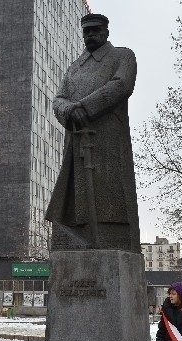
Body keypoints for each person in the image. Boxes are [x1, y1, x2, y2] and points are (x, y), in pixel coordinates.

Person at [45, 13, 140, 253]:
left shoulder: (123, 55)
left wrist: (85, 108)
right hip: (77, 140)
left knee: (110, 194)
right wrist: (69, 111)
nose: (90, 35)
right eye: (86, 31)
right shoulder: (74, 67)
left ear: (106, 31)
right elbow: (58, 99)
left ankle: (112, 237)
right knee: (76, 199)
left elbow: (121, 85)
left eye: (95, 30)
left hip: (108, 139)